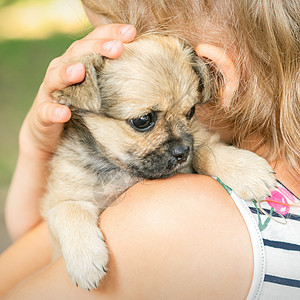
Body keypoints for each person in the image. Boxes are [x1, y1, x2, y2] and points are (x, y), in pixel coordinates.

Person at [1, 0, 299, 299]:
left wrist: (212, 157)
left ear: (214, 74)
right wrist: (36, 149)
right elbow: (34, 234)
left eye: (188, 113)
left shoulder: (157, 223)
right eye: (144, 121)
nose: (181, 145)